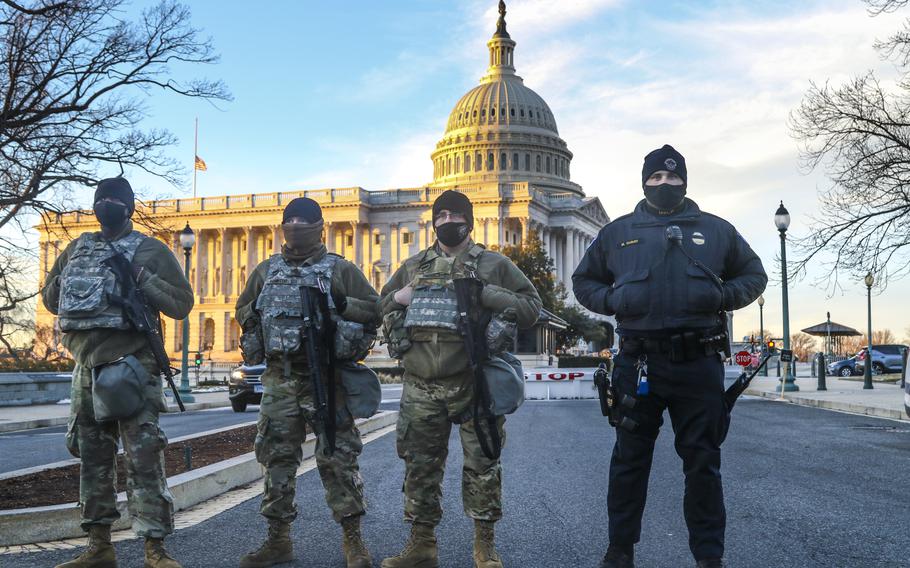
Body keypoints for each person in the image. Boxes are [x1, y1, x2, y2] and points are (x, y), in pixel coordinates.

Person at [572, 145, 768, 568]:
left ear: (685, 181)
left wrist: (722, 295)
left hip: (698, 362)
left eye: (672, 177)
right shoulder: (617, 233)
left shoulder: (716, 230)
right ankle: (620, 550)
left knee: (702, 463)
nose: (665, 185)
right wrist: (613, 299)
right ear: (644, 182)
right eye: (656, 179)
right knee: (629, 461)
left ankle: (709, 556)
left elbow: (755, 274)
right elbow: (583, 280)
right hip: (638, 363)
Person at [379, 190, 542, 568]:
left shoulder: (493, 264)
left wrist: (485, 293)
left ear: (468, 220)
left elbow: (532, 307)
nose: (447, 222)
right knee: (420, 466)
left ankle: (484, 548)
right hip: (420, 383)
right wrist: (400, 297)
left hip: (472, 382)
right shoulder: (414, 265)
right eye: (441, 216)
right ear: (433, 221)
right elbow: (381, 306)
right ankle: (422, 546)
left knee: (483, 465)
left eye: (455, 215)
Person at [42, 177, 194, 568]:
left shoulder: (149, 249)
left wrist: (143, 279)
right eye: (101, 199)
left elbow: (181, 304)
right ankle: (99, 545)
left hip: (132, 362)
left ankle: (155, 548)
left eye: (114, 200)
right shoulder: (78, 247)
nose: (106, 204)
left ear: (128, 206)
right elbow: (49, 297)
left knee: (143, 457)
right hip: (86, 366)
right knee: (92, 457)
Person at [234, 197, 380, 568]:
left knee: (338, 458)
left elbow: (374, 310)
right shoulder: (266, 271)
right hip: (280, 378)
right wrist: (260, 316)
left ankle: (353, 541)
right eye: (290, 220)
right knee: (275, 460)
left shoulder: (340, 270)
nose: (296, 226)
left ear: (320, 227)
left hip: (326, 378)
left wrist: (341, 305)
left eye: (304, 220)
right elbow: (244, 311)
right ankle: (278, 540)